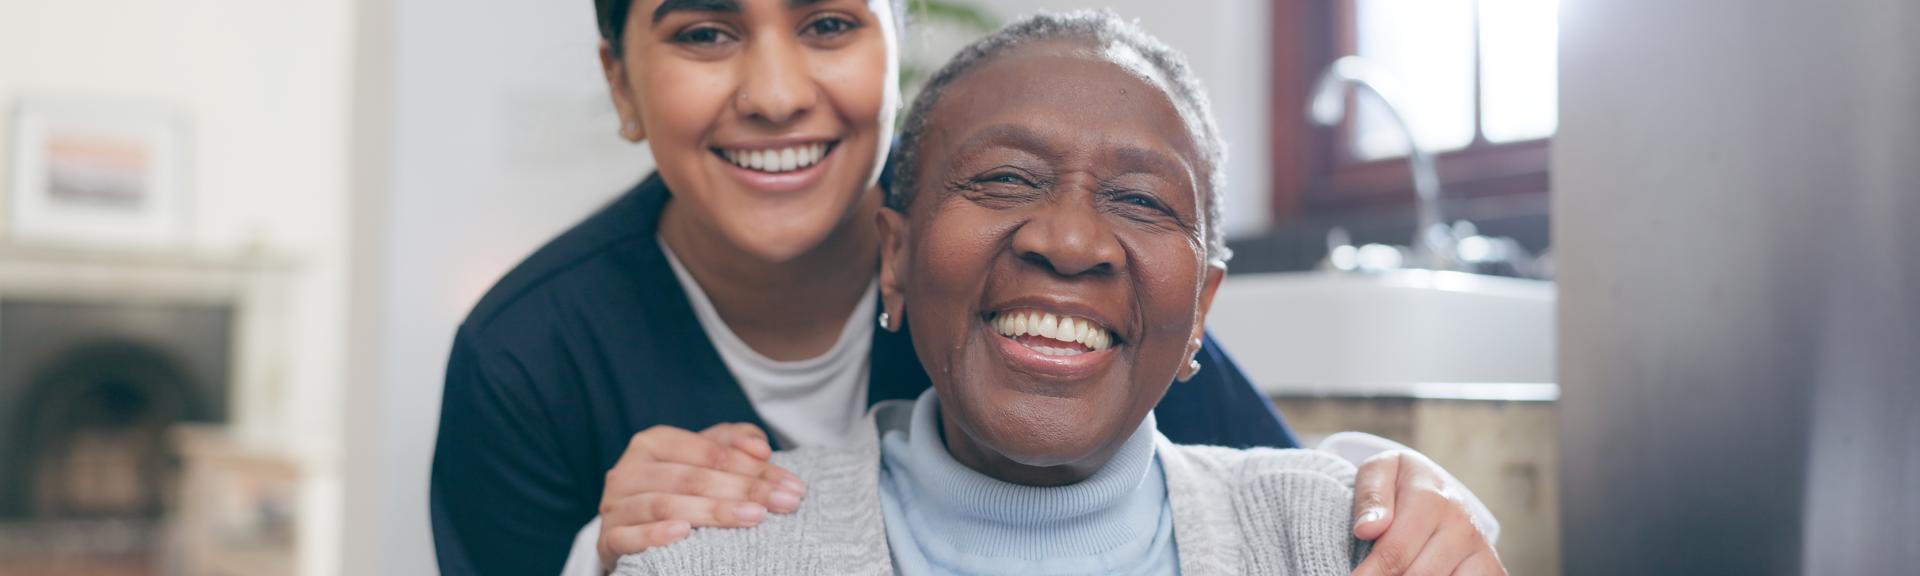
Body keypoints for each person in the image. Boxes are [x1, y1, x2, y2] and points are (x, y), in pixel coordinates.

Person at [429, 1, 1499, 574]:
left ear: (894, 48)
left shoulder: (1054, 293)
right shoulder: (529, 351)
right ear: (621, 81)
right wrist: (603, 559)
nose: (774, 90)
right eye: (705, 32)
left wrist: (1399, 488)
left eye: (831, 23)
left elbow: (1266, 496)